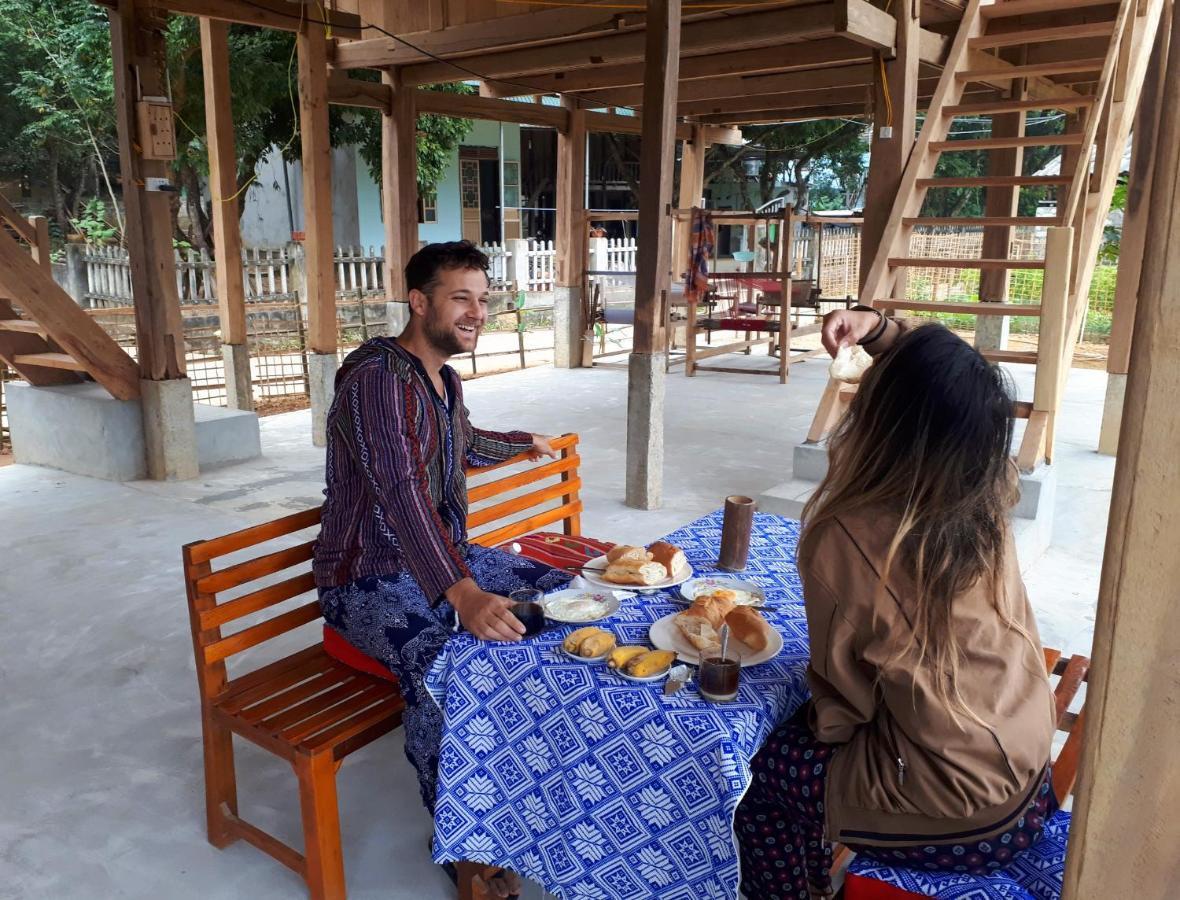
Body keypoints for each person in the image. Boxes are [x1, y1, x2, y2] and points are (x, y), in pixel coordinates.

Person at [736, 308, 1058, 900]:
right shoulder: (989, 486)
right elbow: (950, 380)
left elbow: (844, 704)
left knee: (755, 780)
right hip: (1031, 764)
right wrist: (879, 328)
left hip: (959, 808)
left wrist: (816, 741)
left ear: (879, 419)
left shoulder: (846, 534)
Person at [313, 241, 572, 827]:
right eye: (461, 298)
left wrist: (520, 441)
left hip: (436, 559)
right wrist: (462, 592)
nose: (477, 313)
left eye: (482, 300)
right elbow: (402, 494)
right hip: (366, 577)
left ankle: (545, 770)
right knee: (444, 667)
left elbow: (466, 443)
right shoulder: (377, 381)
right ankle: (465, 835)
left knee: (568, 591)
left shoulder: (443, 382)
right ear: (418, 303)